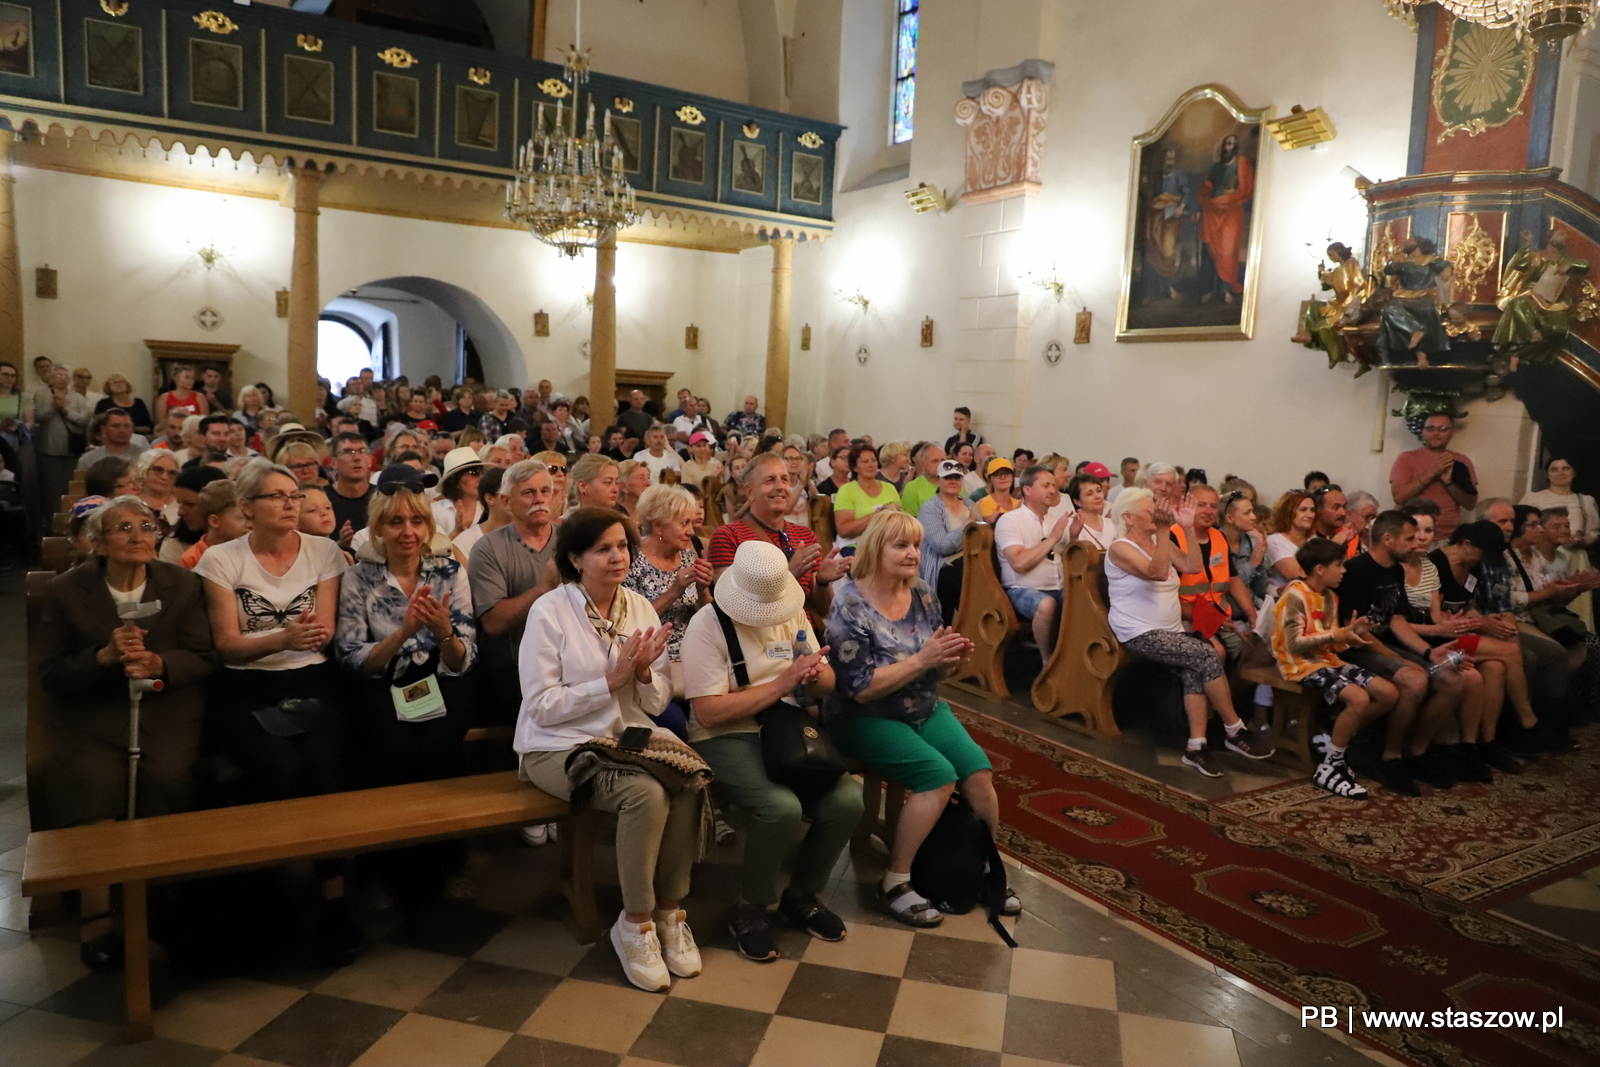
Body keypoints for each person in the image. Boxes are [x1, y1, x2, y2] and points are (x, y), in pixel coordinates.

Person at [516, 507, 704, 991]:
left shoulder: (638, 606)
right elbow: (540, 706)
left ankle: (669, 912)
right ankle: (634, 924)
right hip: (556, 746)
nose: (618, 557)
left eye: (623, 546)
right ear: (575, 558)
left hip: (624, 735)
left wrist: (642, 676)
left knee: (687, 777)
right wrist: (610, 681)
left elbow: (657, 697)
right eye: (603, 548)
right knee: (646, 792)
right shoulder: (551, 611)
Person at [36, 496, 216, 968]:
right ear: (96, 542)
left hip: (164, 709)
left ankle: (160, 900)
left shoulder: (182, 584)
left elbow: (202, 655)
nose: (138, 536)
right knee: (94, 785)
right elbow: (51, 674)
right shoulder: (66, 591)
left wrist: (159, 663)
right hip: (93, 713)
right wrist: (102, 658)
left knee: (165, 779)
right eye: (123, 528)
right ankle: (95, 911)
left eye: (146, 526)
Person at [192, 459, 360, 964]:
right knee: (278, 768)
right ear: (246, 508)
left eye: (295, 496)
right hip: (245, 686)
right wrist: (283, 637)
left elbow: (322, 631)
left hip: (311, 679)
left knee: (326, 767)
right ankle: (274, 892)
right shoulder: (222, 560)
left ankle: (333, 895)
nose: (292, 504)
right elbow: (227, 646)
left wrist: (292, 640)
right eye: (278, 497)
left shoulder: (323, 551)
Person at [825, 510, 1018, 926]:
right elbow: (860, 689)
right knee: (938, 775)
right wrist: (923, 661)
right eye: (902, 545)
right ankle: (895, 880)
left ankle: (980, 869)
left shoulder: (923, 593)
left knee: (979, 774)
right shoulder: (849, 603)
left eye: (916, 545)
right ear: (877, 550)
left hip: (922, 705)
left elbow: (935, 666)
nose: (914, 554)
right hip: (864, 716)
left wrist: (951, 662)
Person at [680, 540, 858, 959]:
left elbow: (826, 681)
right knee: (781, 808)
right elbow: (707, 713)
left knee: (847, 801)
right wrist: (780, 684)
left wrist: (814, 676)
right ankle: (751, 907)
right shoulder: (707, 626)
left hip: (787, 728)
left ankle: (802, 896)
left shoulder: (790, 609)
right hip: (727, 733)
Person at [335, 473, 477, 901]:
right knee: (392, 752)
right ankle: (385, 868)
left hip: (438, 678)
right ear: (378, 528)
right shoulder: (360, 577)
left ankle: (445, 865)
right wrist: (403, 632)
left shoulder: (449, 571)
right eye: (396, 522)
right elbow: (352, 657)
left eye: (416, 521)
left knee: (439, 751)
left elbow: (464, 656)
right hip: (381, 682)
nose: (408, 532)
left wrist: (443, 632)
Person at [1105, 488, 1269, 776]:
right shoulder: (1120, 547)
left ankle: (1196, 746)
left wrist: (1188, 529)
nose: (1157, 513)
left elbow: (1192, 566)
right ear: (1128, 517)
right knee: (1205, 652)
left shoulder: (1159, 539)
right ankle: (1234, 729)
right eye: (1149, 510)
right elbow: (1155, 572)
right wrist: (1167, 529)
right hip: (1137, 632)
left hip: (1171, 631)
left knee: (1194, 665)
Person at [1335, 510, 1481, 794]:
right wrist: (1401, 660)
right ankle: (1390, 758)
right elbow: (1355, 631)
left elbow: (1396, 620)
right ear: (1388, 539)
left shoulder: (1394, 568)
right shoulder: (1357, 571)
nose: (1416, 544)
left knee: (1453, 679)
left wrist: (1429, 654)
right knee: (1415, 680)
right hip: (1359, 648)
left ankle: (1416, 751)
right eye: (1409, 538)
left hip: (1388, 644)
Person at [1269, 537, 1398, 798]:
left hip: (1326, 660)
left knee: (1389, 693)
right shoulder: (1294, 595)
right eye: (1339, 565)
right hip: (1299, 665)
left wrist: (1351, 635)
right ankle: (1331, 765)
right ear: (1319, 569)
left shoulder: (1330, 597)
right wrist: (1339, 635)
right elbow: (1294, 644)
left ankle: (1333, 738)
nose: (1344, 571)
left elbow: (1333, 643)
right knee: (1359, 699)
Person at [469, 459, 561, 729]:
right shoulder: (487, 549)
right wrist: (543, 589)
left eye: (545, 491)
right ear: (506, 501)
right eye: (528, 493)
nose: (539, 499)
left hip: (570, 658)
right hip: (514, 664)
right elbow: (493, 623)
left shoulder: (571, 539)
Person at [708, 453, 849, 618]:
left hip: (804, 637)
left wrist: (822, 582)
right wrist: (789, 573)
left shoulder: (805, 536)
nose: (780, 486)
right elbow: (731, 605)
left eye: (785, 479)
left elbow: (823, 610)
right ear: (750, 492)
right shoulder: (728, 536)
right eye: (770, 480)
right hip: (758, 638)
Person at [626, 485, 713, 734]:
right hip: (651, 667)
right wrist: (673, 591)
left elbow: (707, 615)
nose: (691, 531)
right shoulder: (630, 560)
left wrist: (704, 590)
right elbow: (631, 622)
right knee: (677, 724)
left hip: (693, 661)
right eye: (684, 523)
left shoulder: (687, 556)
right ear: (658, 526)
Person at [995, 466, 1070, 656]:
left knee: (1086, 601)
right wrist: (1053, 538)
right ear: (1027, 490)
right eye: (1046, 485)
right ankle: (1047, 662)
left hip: (1059, 587)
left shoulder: (1056, 519)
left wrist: (1074, 537)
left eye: (1053, 485)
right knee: (1046, 604)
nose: (1053, 490)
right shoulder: (1010, 520)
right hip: (1021, 589)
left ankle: (1072, 661)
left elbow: (1064, 556)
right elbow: (1019, 564)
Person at [1389, 414, 1477, 540]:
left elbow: (1470, 504)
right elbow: (1399, 497)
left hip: (1448, 536)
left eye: (1442, 429)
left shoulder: (1462, 461)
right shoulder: (1407, 458)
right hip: (1411, 534)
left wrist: (1449, 483)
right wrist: (1431, 472)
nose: (1436, 433)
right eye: (1430, 429)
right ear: (1422, 432)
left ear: (1452, 433)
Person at [918, 458, 972, 625]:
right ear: (938, 480)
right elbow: (942, 545)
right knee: (963, 578)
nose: (953, 481)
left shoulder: (970, 504)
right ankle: (956, 627)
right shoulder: (930, 508)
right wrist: (967, 526)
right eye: (947, 477)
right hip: (943, 566)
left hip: (972, 562)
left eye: (957, 477)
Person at [34, 365, 90, 513]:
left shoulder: (77, 397)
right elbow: (38, 417)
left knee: (71, 485)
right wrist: (53, 407)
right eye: (59, 375)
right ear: (51, 378)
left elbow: (84, 420)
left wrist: (65, 410)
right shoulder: (42, 394)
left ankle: (70, 517)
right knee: (50, 487)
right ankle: (52, 520)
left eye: (65, 376)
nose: (62, 378)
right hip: (49, 448)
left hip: (72, 448)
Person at [833, 443, 901, 553]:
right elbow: (843, 530)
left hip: (886, 546)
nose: (871, 465)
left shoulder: (890, 488)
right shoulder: (846, 491)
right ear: (855, 467)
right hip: (856, 547)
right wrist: (880, 514)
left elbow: (900, 522)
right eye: (865, 462)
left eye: (873, 460)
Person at [1522, 456, 1598, 550]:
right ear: (1547, 474)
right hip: (1542, 555)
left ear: (1574, 473)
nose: (1560, 473)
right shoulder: (1533, 499)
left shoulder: (1585, 501)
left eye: (1565, 468)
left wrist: (1580, 541)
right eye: (1554, 470)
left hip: (1574, 557)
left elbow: (1593, 533)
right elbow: (1521, 529)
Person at [177, 479, 248, 569]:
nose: (250, 524)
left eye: (250, 518)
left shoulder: (253, 552)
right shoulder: (192, 560)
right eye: (241, 518)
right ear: (214, 521)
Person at [1263, 491, 1318, 597]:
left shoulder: (1313, 539)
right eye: (1303, 510)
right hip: (1283, 601)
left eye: (1312, 510)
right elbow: (1300, 578)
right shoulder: (1276, 541)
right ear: (1288, 513)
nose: (1310, 515)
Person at [434, 446, 482, 539]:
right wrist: (457, 532)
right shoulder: (436, 512)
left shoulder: (489, 509)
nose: (480, 478)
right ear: (455, 482)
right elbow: (432, 551)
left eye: (481, 472)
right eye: (474, 473)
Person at [77, 408, 148, 469]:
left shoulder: (145, 457)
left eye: (127, 426)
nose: (122, 430)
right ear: (103, 429)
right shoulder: (88, 460)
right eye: (116, 426)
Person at [898, 443, 945, 518]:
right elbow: (910, 522)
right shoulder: (912, 488)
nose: (940, 464)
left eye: (942, 460)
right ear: (923, 463)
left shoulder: (955, 484)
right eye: (934, 461)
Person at [972, 457, 1018, 523]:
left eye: (1007, 473)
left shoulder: (1018, 503)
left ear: (1012, 477)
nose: (1002, 477)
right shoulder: (984, 503)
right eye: (997, 474)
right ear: (990, 479)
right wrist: (991, 521)